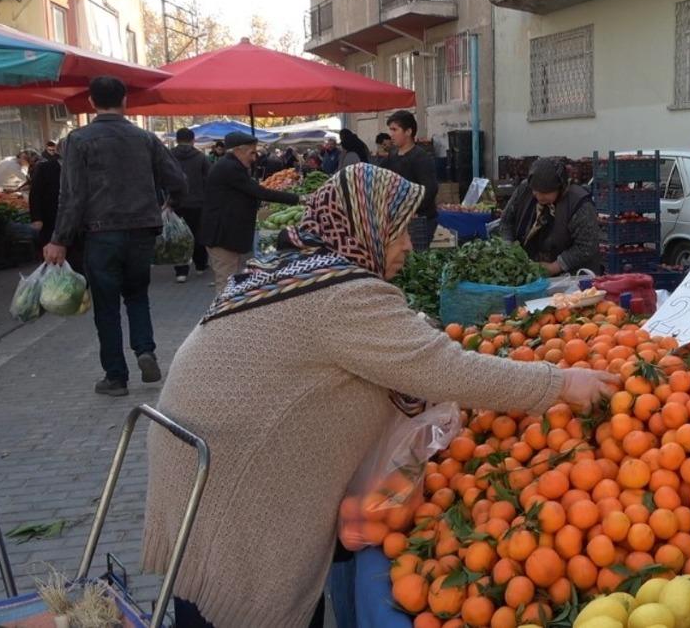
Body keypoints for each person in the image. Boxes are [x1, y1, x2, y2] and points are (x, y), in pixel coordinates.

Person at [142, 163, 618, 628]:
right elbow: (443, 369)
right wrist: (559, 383)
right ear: (362, 228)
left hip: (196, 456)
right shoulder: (341, 294)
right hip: (235, 480)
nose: (410, 247)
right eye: (399, 232)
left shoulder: (293, 264)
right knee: (237, 600)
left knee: (203, 602)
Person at [44, 76, 188, 397]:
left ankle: (115, 376)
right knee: (137, 295)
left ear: (92, 103)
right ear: (125, 101)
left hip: (100, 234)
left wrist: (60, 239)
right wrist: (168, 203)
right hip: (142, 232)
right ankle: (145, 350)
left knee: (106, 306)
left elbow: (72, 196)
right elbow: (178, 180)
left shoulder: (78, 141)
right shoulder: (146, 139)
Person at [200, 131, 302, 292]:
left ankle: (230, 313)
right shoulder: (230, 167)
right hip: (221, 235)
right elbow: (260, 192)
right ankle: (225, 315)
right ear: (238, 150)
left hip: (226, 234)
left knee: (230, 280)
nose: (255, 158)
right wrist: (298, 199)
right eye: (252, 153)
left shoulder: (231, 165)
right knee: (226, 283)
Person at [500, 157, 601, 275]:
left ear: (559, 188)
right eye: (535, 191)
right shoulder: (524, 190)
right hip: (529, 272)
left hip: (571, 277)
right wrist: (509, 250)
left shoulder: (579, 204)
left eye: (544, 193)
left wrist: (556, 266)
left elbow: (587, 246)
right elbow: (506, 221)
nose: (538, 196)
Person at [381, 111, 438, 251]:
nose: (391, 134)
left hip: (419, 222)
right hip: (397, 221)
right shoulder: (392, 156)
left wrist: (413, 209)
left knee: (416, 263)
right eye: (390, 130)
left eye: (395, 130)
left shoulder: (421, 158)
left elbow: (430, 189)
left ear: (408, 131)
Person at [169, 128, 212, 283]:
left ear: (176, 140)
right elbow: (209, 180)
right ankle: (200, 265)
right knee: (198, 234)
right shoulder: (201, 157)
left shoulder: (169, 156)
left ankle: (181, 272)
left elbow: (162, 177)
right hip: (198, 203)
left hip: (175, 203)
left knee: (178, 236)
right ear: (193, 140)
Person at [27, 140, 74, 269]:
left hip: (74, 222)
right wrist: (36, 218)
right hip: (50, 219)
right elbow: (35, 193)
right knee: (52, 259)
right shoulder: (45, 168)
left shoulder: (80, 168)